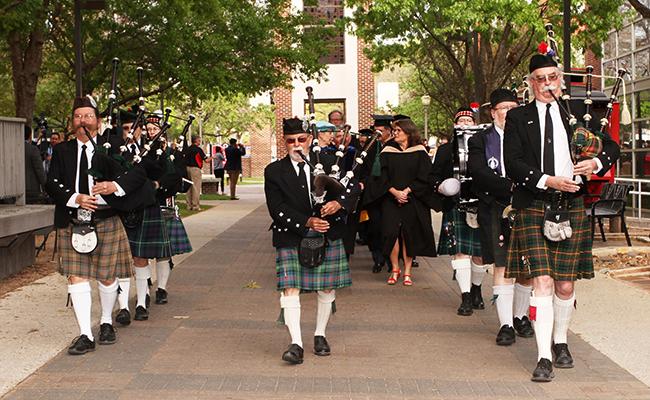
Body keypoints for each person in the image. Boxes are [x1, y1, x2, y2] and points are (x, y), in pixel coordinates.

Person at [503, 54, 619, 382]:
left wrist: (594, 165)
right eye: (538, 78)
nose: (546, 84)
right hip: (535, 203)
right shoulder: (518, 117)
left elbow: (611, 148)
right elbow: (513, 162)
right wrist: (548, 180)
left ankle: (561, 341)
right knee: (542, 280)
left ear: (560, 80)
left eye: (551, 77)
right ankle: (542, 357)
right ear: (530, 84)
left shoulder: (578, 114)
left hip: (570, 205)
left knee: (565, 285)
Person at [45, 96, 146, 354]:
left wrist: (115, 185)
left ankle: (106, 321)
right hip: (73, 220)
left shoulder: (113, 147)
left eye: (88, 116)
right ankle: (85, 334)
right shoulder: (62, 150)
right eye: (78, 116)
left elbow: (138, 173)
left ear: (97, 121)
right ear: (72, 121)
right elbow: (51, 182)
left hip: (107, 217)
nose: (83, 121)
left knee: (107, 276)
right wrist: (74, 198)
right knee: (76, 277)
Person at [264, 117, 360, 365]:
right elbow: (277, 208)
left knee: (326, 287)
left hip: (328, 234)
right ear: (285, 143)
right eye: (290, 141)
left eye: (301, 140)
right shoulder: (274, 171)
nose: (296, 145)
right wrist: (307, 222)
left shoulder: (329, 163)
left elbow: (353, 188)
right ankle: (296, 343)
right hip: (291, 234)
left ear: (309, 140)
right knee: (290, 288)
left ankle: (320, 335)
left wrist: (339, 203)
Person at [468, 89, 534, 346]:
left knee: (527, 265)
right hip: (495, 205)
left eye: (513, 107)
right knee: (502, 264)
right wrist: (509, 188)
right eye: (503, 108)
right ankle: (505, 324)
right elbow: (478, 171)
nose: (508, 112)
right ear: (493, 112)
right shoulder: (480, 140)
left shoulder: (528, 138)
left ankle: (520, 317)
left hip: (526, 205)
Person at [432, 107, 489, 315]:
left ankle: (477, 289)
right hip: (456, 204)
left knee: (480, 254)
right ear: (455, 124)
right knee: (461, 252)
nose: (465, 123)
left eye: (468, 120)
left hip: (481, 203)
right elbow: (433, 176)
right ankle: (465, 297)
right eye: (461, 120)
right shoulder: (446, 150)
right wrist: (442, 186)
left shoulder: (486, 146)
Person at [380, 118, 436, 286]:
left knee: (409, 234)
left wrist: (407, 191)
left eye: (398, 131)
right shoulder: (387, 150)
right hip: (391, 198)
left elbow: (425, 176)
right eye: (394, 131)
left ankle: (407, 271)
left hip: (412, 198)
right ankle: (395, 268)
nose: (394, 133)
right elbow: (381, 176)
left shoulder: (420, 151)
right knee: (391, 233)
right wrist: (395, 192)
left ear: (408, 132)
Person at [185, 136, 209, 210]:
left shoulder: (187, 149)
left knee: (189, 187)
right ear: (196, 141)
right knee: (196, 187)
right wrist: (212, 157)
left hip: (187, 168)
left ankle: (189, 205)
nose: (200, 142)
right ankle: (195, 205)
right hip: (195, 169)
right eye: (199, 140)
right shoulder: (198, 150)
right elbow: (206, 160)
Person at [24, 125, 47, 204]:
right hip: (30, 189)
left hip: (11, 189)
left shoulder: (10, 148)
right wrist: (45, 188)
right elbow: (39, 170)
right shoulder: (32, 149)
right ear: (30, 135)